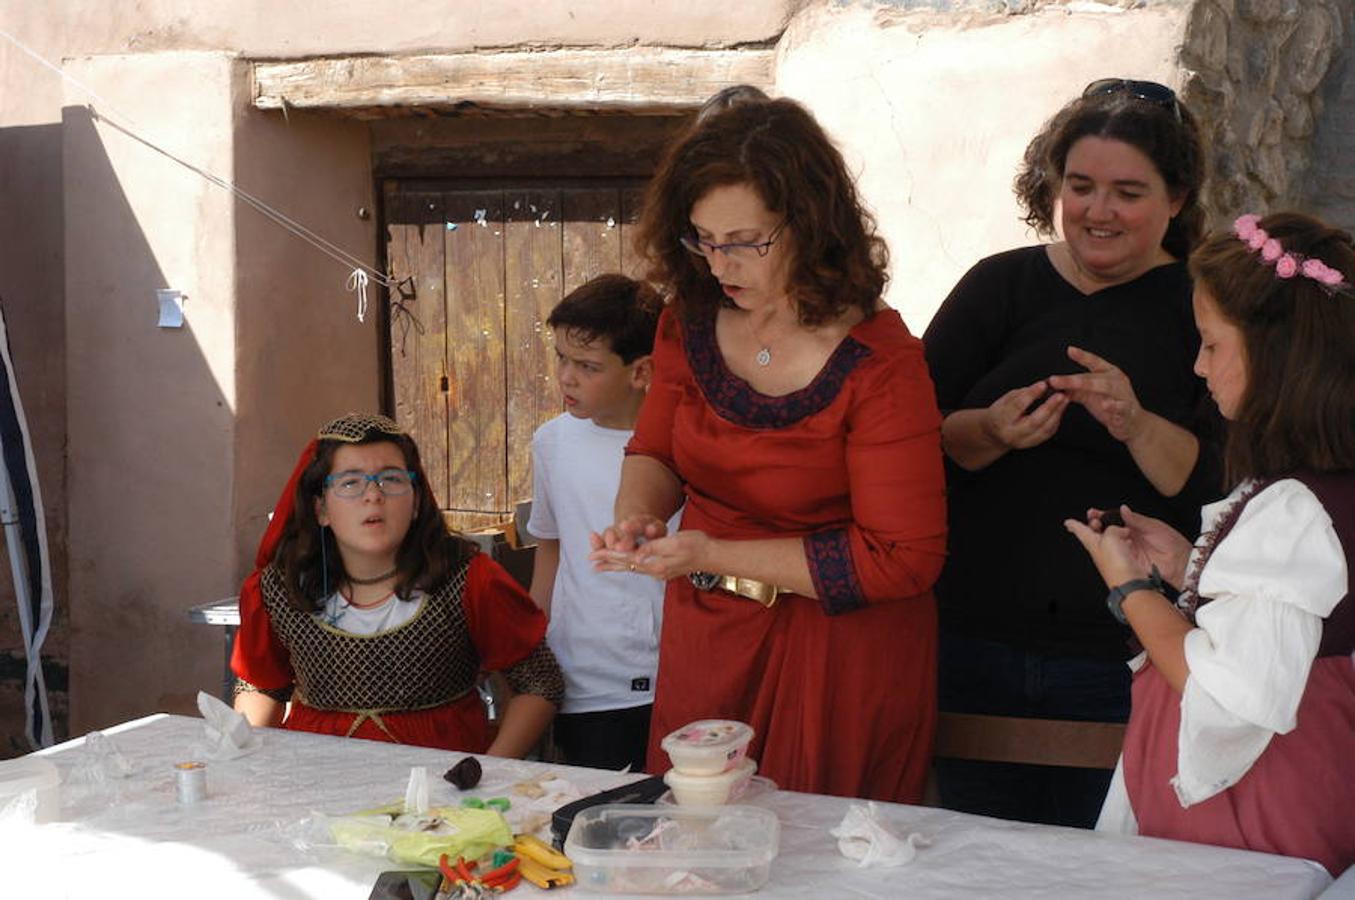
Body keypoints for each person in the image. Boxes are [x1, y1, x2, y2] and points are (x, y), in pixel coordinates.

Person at [590, 98, 947, 802]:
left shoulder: (880, 360)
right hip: (711, 638)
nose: (720, 262)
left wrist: (709, 553)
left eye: (746, 241)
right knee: (696, 843)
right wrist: (637, 514)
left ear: (809, 224)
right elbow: (656, 449)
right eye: (702, 239)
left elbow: (903, 558)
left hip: (838, 655)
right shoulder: (685, 324)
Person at [922, 79, 1222, 826]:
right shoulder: (998, 286)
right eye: (1080, 187)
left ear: (1176, 199)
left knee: (1109, 861)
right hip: (972, 641)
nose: (1098, 211)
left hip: (1126, 652)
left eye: (1127, 192)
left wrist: (1135, 422)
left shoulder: (1201, 305)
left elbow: (1216, 481)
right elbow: (909, 436)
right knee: (973, 859)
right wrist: (986, 432)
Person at [1067, 212, 1355, 876]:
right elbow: (1292, 621)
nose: (1198, 367)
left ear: (1273, 354)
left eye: (1211, 345)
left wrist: (1132, 592)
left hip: (1252, 824)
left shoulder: (1293, 510)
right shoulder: (1320, 490)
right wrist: (1186, 567)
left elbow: (1229, 693)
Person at [231, 412, 563, 756]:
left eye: (391, 479)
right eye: (350, 483)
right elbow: (261, 685)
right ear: (321, 509)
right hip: (315, 776)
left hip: (441, 783)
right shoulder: (282, 588)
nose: (373, 495)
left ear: (416, 501)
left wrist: (492, 773)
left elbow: (538, 681)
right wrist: (249, 766)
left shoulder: (466, 579)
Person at [526, 273, 668, 772]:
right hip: (586, 679)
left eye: (587, 366)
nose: (566, 377)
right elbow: (551, 545)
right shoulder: (552, 443)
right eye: (561, 358)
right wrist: (532, 644)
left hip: (674, 672)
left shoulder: (683, 442)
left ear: (641, 371)